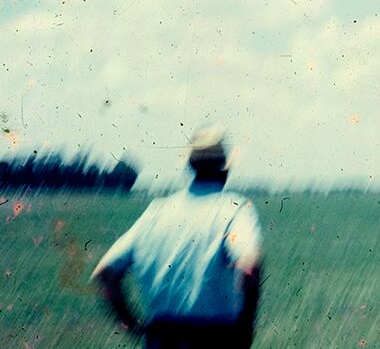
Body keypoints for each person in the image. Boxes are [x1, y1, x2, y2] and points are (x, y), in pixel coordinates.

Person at [91, 125, 263, 348]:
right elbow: (250, 266)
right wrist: (245, 328)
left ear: (190, 166)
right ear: (225, 167)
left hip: (161, 336)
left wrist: (131, 325)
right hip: (216, 337)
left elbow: (104, 273)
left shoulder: (155, 212)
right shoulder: (234, 209)